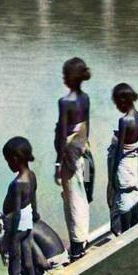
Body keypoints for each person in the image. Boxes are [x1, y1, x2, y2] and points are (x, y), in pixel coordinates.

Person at [54, 57, 94, 261]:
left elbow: (62, 133)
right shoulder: (85, 98)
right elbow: (87, 125)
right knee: (83, 193)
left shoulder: (65, 102)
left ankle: (77, 244)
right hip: (82, 148)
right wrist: (86, 147)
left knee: (72, 196)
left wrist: (58, 163)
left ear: (70, 79)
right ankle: (83, 238)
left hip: (70, 153)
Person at [0, 136, 40, 275]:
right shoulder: (31, 176)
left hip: (17, 228)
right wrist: (35, 214)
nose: (8, 164)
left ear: (15, 159)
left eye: (8, 161)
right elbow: (33, 198)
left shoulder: (17, 184)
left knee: (14, 270)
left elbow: (15, 213)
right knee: (28, 261)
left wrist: (8, 237)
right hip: (27, 221)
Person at [106, 83, 138, 236]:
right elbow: (135, 137)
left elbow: (120, 151)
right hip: (133, 162)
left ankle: (125, 232)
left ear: (122, 101)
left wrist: (113, 179)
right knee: (133, 195)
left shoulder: (124, 121)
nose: (117, 107)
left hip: (123, 165)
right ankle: (135, 227)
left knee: (122, 197)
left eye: (117, 104)